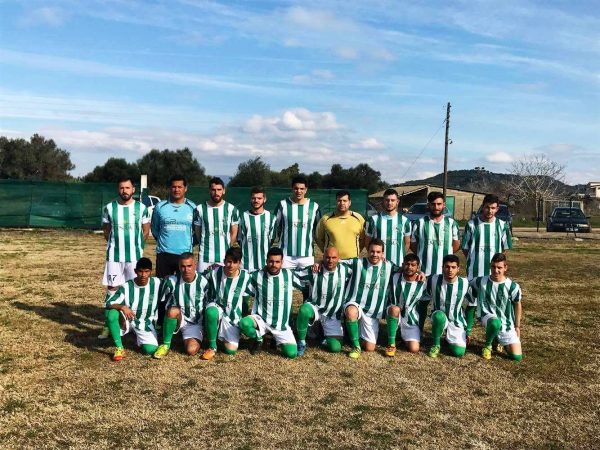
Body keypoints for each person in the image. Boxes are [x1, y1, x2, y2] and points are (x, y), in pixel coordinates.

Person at [98, 177, 150, 339]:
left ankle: (132, 324)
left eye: (127, 188)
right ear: (118, 189)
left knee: (134, 289)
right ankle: (108, 325)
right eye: (121, 188)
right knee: (112, 289)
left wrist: (137, 247)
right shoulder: (109, 208)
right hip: (114, 257)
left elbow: (145, 231)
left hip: (134, 258)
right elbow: (106, 231)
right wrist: (116, 245)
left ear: (133, 189)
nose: (124, 191)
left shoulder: (141, 208)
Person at [238, 247, 304, 359]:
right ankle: (258, 338)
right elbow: (239, 277)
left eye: (277, 262)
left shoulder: (289, 274)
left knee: (291, 354)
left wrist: (318, 265)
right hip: (261, 319)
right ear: (266, 261)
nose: (274, 264)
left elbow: (306, 278)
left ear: (282, 262)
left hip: (281, 325)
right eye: (271, 261)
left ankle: (275, 338)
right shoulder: (257, 275)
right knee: (244, 323)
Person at [150, 174, 197, 326]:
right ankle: (161, 321)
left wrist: (189, 244)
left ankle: (182, 321)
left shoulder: (192, 207)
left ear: (185, 188)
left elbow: (196, 231)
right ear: (169, 188)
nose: (176, 189)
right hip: (164, 254)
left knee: (183, 289)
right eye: (174, 187)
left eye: (179, 187)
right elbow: (155, 229)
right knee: (163, 289)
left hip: (184, 256)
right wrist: (165, 242)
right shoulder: (160, 207)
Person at [344, 239, 396, 359]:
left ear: (383, 253)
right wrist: (319, 262)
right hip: (355, 304)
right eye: (372, 251)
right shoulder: (357, 262)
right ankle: (356, 346)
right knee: (351, 311)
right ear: (367, 251)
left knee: (370, 348)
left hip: (372, 312)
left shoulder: (389, 266)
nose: (375, 254)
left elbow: (406, 270)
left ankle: (353, 333)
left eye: (378, 252)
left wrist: (419, 273)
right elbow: (335, 261)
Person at [466, 253, 523, 361]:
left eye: (499, 267)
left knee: (516, 357)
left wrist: (517, 326)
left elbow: (517, 304)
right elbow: (466, 286)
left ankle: (498, 340)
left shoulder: (512, 286)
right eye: (493, 267)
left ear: (505, 268)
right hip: (487, 316)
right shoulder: (480, 281)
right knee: (495, 322)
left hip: (506, 322)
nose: (496, 270)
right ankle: (487, 346)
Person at [295, 247, 350, 356]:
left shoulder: (345, 270)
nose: (330, 260)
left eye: (334, 258)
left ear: (338, 258)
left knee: (335, 348)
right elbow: (295, 275)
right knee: (304, 310)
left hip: (332, 315)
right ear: (323, 257)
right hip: (315, 308)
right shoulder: (314, 270)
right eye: (327, 257)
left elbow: (361, 265)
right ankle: (301, 342)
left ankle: (325, 337)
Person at [104, 257, 161, 361]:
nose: (143, 275)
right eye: (140, 271)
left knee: (150, 350)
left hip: (144, 322)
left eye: (146, 271)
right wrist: (122, 307)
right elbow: (108, 303)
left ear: (151, 272)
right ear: (135, 271)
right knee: (112, 314)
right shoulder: (126, 286)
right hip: (127, 319)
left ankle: (137, 335)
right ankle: (119, 347)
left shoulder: (157, 283)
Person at [153, 253, 208, 359]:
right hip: (178, 317)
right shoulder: (172, 281)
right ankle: (165, 344)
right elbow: (159, 299)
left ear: (195, 265)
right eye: (183, 266)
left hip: (194, 323)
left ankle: (186, 336)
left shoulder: (203, 281)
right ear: (178, 266)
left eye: (189, 266)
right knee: (172, 311)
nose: (186, 270)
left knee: (191, 350)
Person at [201, 247, 252, 360]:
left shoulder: (246, 277)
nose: (231, 265)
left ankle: (217, 333)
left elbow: (256, 291)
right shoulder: (214, 272)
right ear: (224, 261)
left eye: (235, 262)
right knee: (211, 312)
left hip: (232, 316)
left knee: (230, 350)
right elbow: (197, 278)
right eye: (229, 261)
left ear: (239, 263)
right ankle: (212, 346)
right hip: (216, 308)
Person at [237, 186, 276, 315]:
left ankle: (261, 320)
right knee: (243, 295)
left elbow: (271, 239)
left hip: (263, 264)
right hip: (245, 263)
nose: (256, 200)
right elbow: (240, 239)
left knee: (263, 294)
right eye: (254, 198)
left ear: (264, 199)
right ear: (250, 199)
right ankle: (242, 320)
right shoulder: (243, 216)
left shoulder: (271, 218)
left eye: (259, 198)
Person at [425, 254, 469, 358]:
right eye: (447, 267)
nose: (450, 270)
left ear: (458, 269)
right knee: (439, 316)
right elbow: (423, 299)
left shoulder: (465, 283)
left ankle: (448, 337)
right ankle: (436, 344)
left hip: (456, 320)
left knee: (459, 352)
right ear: (442, 267)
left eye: (453, 267)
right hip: (438, 317)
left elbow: (471, 305)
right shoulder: (433, 279)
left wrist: (468, 330)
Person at [274, 175, 322, 269]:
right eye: (296, 188)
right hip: (286, 255)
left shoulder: (314, 206)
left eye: (301, 189)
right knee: (285, 278)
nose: (299, 191)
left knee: (308, 278)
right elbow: (274, 225)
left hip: (307, 255)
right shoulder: (283, 204)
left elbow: (319, 230)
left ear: (306, 190)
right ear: (292, 189)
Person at [194, 177, 240, 273]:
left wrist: (227, 247)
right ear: (209, 191)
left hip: (224, 256)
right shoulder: (199, 209)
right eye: (213, 190)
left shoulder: (232, 209)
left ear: (224, 191)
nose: (216, 193)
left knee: (222, 281)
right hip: (205, 256)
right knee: (204, 281)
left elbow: (234, 233)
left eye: (219, 189)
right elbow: (198, 233)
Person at [461, 194, 513, 280]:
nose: (490, 211)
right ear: (482, 207)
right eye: (487, 207)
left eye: (493, 208)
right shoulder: (471, 225)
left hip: (494, 273)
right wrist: (474, 259)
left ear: (497, 209)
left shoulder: (503, 225)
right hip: (474, 272)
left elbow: (504, 250)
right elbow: (465, 248)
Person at [410, 191, 460, 276]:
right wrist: (423, 252)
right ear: (428, 205)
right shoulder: (419, 223)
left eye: (439, 204)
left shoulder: (452, 223)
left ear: (444, 205)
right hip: (424, 272)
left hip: (445, 273)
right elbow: (413, 245)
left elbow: (456, 245)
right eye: (433, 204)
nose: (436, 207)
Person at [386, 253, 426, 356]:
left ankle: (401, 336)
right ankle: (391, 344)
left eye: (413, 265)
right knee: (394, 309)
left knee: (414, 349)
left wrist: (421, 273)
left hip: (411, 320)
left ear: (418, 267)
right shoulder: (394, 276)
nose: (410, 267)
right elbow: (385, 265)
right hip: (395, 313)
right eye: (407, 264)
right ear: (403, 265)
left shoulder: (423, 282)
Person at [365, 188, 411, 267]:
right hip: (379, 264)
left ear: (397, 202)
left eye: (392, 200)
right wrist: (376, 256)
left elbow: (407, 243)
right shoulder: (373, 220)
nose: (389, 203)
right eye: (387, 200)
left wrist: (400, 256)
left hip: (398, 265)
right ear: (383, 201)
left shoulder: (405, 221)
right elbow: (367, 243)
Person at [316, 190, 365, 262]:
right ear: (336, 202)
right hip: (332, 261)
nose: (342, 203)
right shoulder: (326, 219)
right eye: (339, 201)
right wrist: (328, 253)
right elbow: (319, 238)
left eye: (345, 201)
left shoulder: (358, 218)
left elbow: (363, 239)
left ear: (349, 202)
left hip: (353, 260)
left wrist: (355, 252)